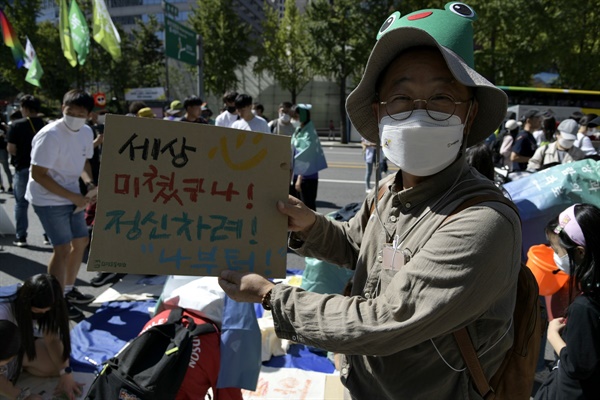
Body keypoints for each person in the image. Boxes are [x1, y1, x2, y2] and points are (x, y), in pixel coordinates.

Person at [218, 5, 521, 399]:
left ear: (471, 112)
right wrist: (308, 225)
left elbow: (386, 319)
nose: (419, 113)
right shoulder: (388, 190)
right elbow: (356, 247)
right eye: (401, 97)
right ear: (379, 114)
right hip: (362, 384)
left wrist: (270, 296)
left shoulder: (482, 221)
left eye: (442, 97)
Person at [25, 89, 97, 320]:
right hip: (48, 199)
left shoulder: (86, 131)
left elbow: (84, 161)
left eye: (80, 112)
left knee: (81, 241)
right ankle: (55, 302)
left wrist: (89, 184)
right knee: (63, 248)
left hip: (73, 196)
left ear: (89, 114)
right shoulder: (50, 135)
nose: (74, 116)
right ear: (61, 108)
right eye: (70, 111)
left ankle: (67, 289)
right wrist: (72, 196)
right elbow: (38, 174)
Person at [534, 204, 600, 400]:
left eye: (557, 250)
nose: (555, 256)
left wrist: (553, 335)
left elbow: (578, 365)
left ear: (580, 252)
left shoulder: (585, 307)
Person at [0, 274, 82, 400]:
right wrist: (21, 395)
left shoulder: (47, 301)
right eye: (37, 312)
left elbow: (53, 339)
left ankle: (15, 365)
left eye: (46, 312)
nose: (42, 315)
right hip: (6, 351)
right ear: (26, 303)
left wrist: (65, 372)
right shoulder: (3, 313)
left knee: (55, 366)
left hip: (13, 350)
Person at [6, 95, 47, 247]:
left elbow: (11, 149)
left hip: (23, 167)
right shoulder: (46, 124)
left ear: (24, 108)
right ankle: (48, 235)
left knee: (21, 204)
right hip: (44, 170)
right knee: (44, 203)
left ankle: (21, 236)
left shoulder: (16, 125)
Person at [289, 104, 327, 211]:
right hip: (297, 176)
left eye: (295, 117)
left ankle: (308, 228)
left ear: (303, 116)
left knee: (306, 208)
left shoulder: (309, 134)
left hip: (306, 178)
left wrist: (299, 179)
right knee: (297, 207)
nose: (293, 120)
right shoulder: (299, 131)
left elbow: (307, 158)